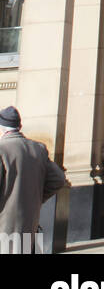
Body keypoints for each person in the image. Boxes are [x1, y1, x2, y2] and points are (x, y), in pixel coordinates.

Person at [0, 106, 67, 253]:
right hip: (29, 223)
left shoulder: (2, 149)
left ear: (2, 128)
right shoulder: (38, 149)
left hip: (4, 226)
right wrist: (37, 198)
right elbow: (59, 179)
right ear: (20, 126)